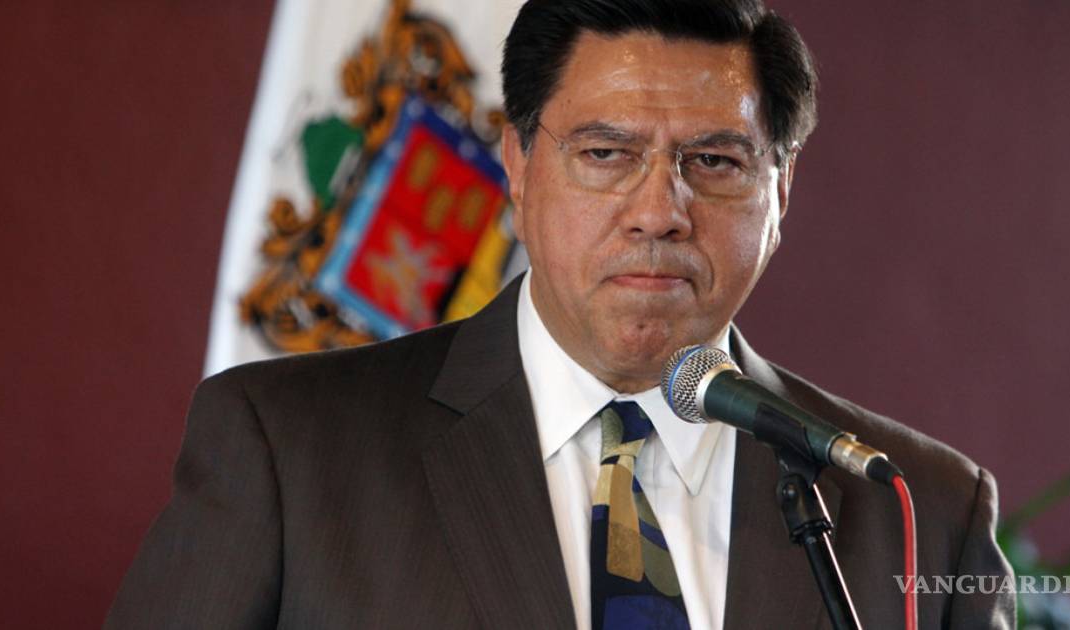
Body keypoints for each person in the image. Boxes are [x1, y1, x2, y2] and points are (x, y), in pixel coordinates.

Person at [106, 0, 1015, 628]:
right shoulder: (288, 452)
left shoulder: (919, 513)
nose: (658, 211)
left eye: (714, 162)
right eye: (606, 153)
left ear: (780, 192)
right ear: (518, 166)